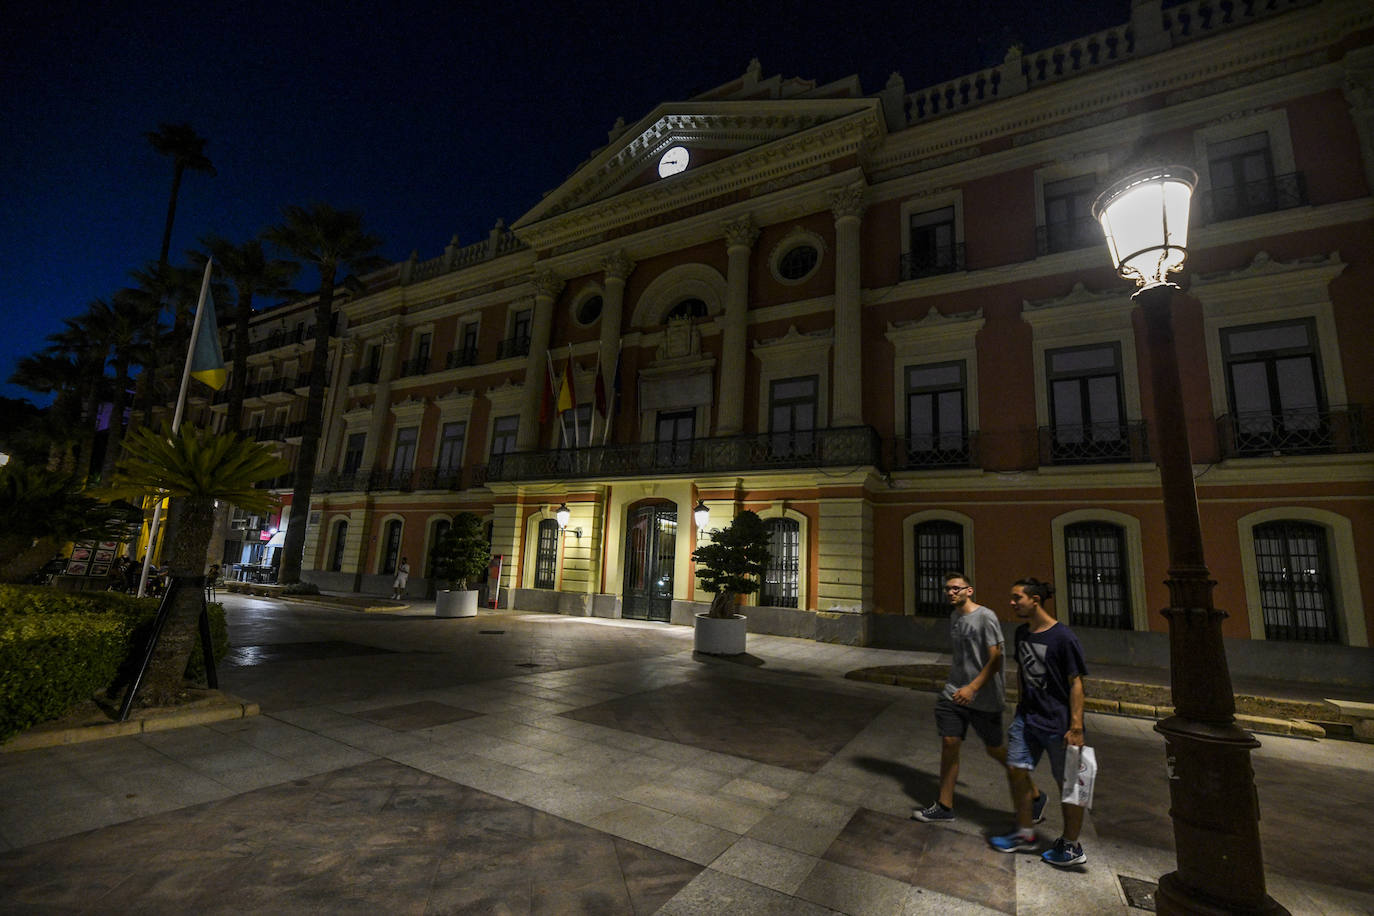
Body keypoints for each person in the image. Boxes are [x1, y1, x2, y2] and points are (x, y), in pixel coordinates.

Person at [912, 572, 1046, 825]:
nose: (951, 593)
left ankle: (1035, 795)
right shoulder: (954, 617)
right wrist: (960, 687)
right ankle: (944, 806)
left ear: (969, 590)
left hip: (984, 697)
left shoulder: (986, 616)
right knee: (950, 742)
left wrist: (972, 688)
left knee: (995, 750)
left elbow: (996, 659)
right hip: (954, 692)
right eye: (947, 589)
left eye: (956, 588)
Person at [989, 578, 1090, 868]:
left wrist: (1076, 727)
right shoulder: (1022, 633)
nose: (1011, 603)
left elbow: (1076, 683)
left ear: (1035, 600)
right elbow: (1023, 672)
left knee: (1069, 784)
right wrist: (1020, 707)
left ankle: (1071, 845)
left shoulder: (1063, 638)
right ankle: (1024, 832)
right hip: (1027, 719)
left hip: (1060, 724)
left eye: (1017, 597)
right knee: (1016, 769)